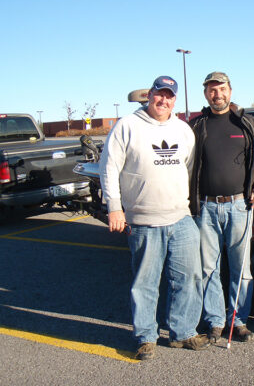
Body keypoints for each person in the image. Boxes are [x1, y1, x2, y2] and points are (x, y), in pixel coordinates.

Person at [99, 75, 210, 360]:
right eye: (159, 94)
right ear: (149, 95)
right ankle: (145, 336)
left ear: (175, 99)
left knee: (188, 278)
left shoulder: (184, 130)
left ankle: (182, 332)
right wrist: (114, 206)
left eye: (169, 95)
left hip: (181, 218)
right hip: (144, 220)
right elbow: (109, 167)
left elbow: (187, 168)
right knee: (145, 282)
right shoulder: (127, 126)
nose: (163, 100)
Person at [189, 72, 254, 344]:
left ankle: (239, 320)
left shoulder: (246, 123)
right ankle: (215, 321)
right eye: (212, 90)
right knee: (208, 269)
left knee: (241, 269)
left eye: (221, 89)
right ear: (206, 94)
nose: (217, 94)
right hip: (206, 208)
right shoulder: (196, 126)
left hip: (239, 206)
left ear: (230, 91)